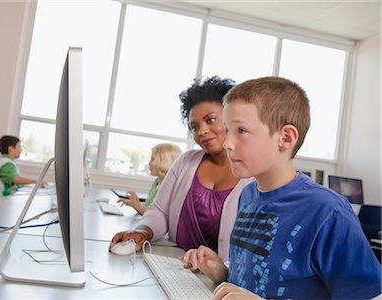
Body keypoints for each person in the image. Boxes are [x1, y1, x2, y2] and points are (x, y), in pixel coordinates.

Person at [182, 76, 382, 299]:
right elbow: (255, 283)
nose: (228, 143)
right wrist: (221, 272)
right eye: (227, 130)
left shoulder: (327, 211)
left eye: (241, 131)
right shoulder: (247, 195)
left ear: (285, 138)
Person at [110, 76, 253, 261]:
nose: (201, 131)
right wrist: (142, 231)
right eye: (194, 126)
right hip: (175, 269)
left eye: (210, 120)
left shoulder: (255, 175)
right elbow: (160, 211)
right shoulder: (187, 161)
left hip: (223, 283)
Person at [117, 143, 182, 215]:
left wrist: (138, 206)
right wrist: (134, 204)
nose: (149, 163)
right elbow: (150, 206)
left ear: (164, 162)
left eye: (152, 159)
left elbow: (155, 215)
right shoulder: (157, 182)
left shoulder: (169, 187)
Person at [0, 135, 46, 200]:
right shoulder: (6, 164)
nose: (21, 149)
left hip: (9, 196)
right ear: (11, 148)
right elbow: (15, 179)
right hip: (5, 199)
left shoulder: (7, 161)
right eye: (19, 146)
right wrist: (36, 181)